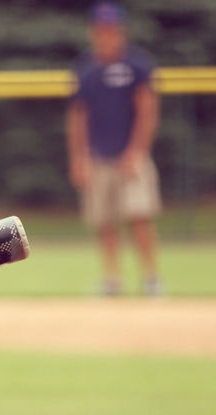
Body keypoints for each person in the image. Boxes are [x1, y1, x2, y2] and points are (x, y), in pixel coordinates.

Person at [67, 2, 162, 296]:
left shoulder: (137, 65)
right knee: (104, 221)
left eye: (112, 30)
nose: (106, 35)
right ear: (93, 32)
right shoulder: (86, 69)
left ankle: (151, 279)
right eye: (101, 30)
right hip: (98, 158)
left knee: (139, 216)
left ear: (121, 32)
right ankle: (112, 280)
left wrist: (137, 151)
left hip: (130, 157)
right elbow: (77, 117)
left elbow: (147, 110)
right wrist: (79, 158)